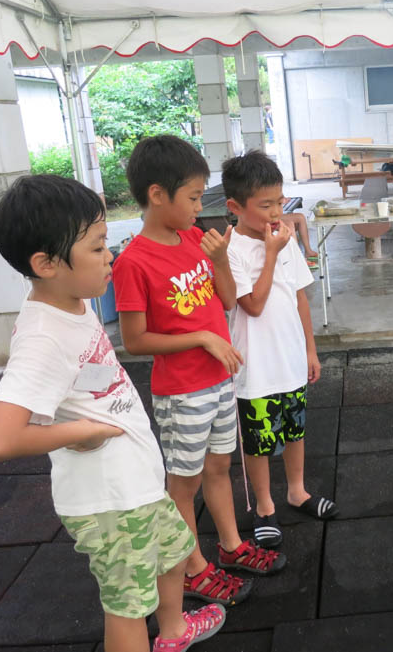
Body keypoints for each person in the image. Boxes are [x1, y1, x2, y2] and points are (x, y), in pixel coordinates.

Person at [0, 175, 226, 651]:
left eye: (105, 241)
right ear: (46, 264)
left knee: (174, 555)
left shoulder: (72, 301)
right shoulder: (42, 338)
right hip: (109, 500)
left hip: (136, 480)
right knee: (129, 607)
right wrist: (78, 430)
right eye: (96, 248)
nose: (109, 255)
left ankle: (172, 633)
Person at [113, 135, 286, 608]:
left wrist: (219, 259)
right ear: (156, 194)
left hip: (217, 382)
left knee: (219, 468)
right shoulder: (133, 261)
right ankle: (192, 567)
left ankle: (229, 547)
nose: (198, 208)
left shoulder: (195, 240)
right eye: (191, 197)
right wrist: (203, 338)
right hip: (182, 392)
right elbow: (135, 341)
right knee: (184, 485)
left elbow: (228, 300)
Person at [221, 150, 336, 549]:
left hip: (290, 358)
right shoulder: (230, 250)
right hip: (255, 368)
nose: (276, 211)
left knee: (295, 429)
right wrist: (270, 254)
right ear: (235, 206)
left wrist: (311, 350)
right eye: (265, 204)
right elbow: (250, 305)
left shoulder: (282, 238)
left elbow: (300, 297)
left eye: (279, 200)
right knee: (258, 441)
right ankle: (265, 506)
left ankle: (297, 491)